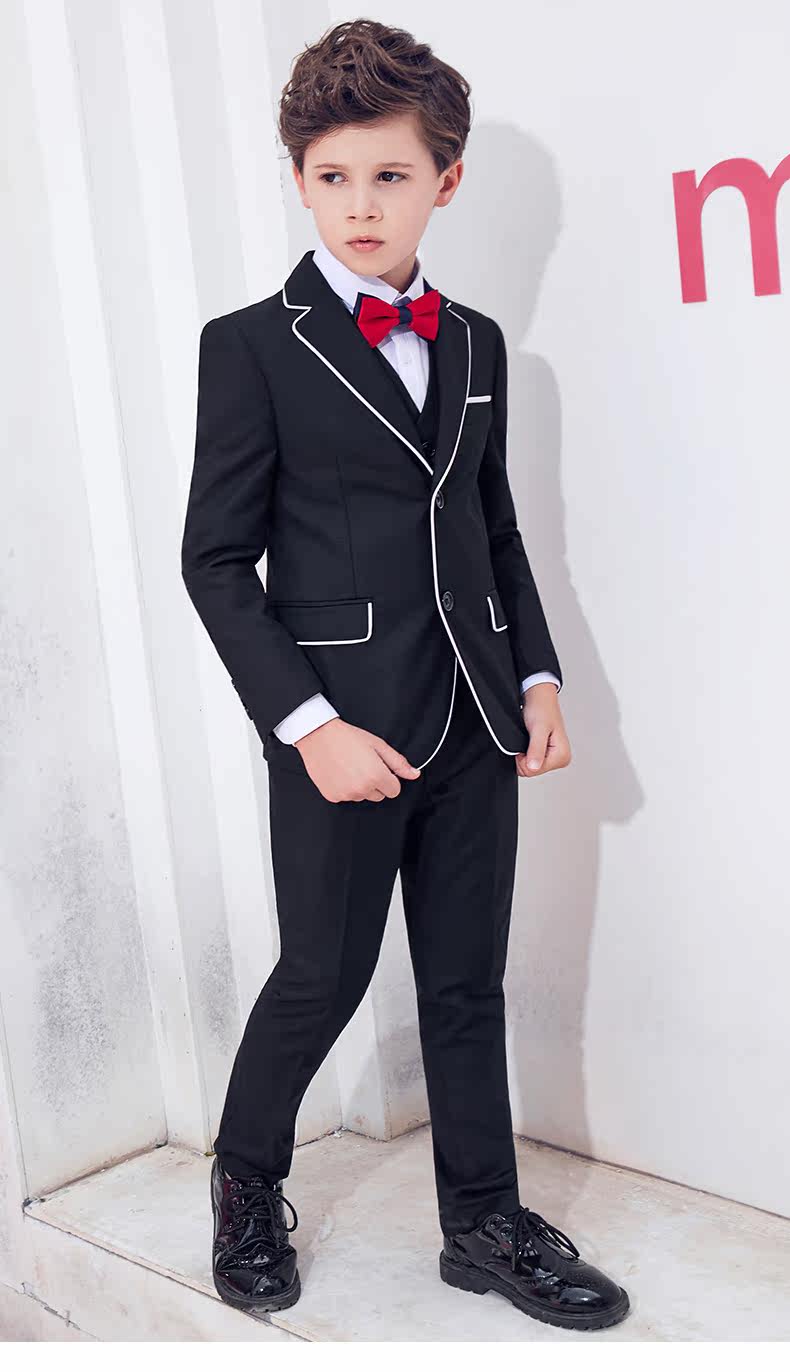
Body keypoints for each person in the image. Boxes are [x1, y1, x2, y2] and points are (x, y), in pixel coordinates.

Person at [182, 16, 630, 1332]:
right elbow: (216, 562)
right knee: (319, 975)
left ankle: (481, 1222)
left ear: (447, 178)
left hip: (475, 716)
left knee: (464, 984)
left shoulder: (477, 344)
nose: (361, 205)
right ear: (299, 180)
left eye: (390, 175)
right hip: (341, 730)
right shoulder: (250, 345)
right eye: (332, 177)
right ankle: (246, 1180)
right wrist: (307, 723)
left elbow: (493, 529)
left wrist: (536, 679)